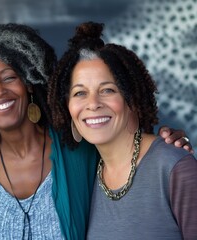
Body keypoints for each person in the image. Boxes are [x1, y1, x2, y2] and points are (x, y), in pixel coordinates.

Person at [0, 23, 193, 240]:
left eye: (10, 77)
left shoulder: (79, 148)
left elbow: (125, 145)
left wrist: (168, 145)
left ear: (29, 82)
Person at [48, 21, 197, 239]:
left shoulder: (174, 168)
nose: (93, 104)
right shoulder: (86, 174)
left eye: (107, 90)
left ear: (131, 100)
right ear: (67, 107)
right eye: (80, 93)